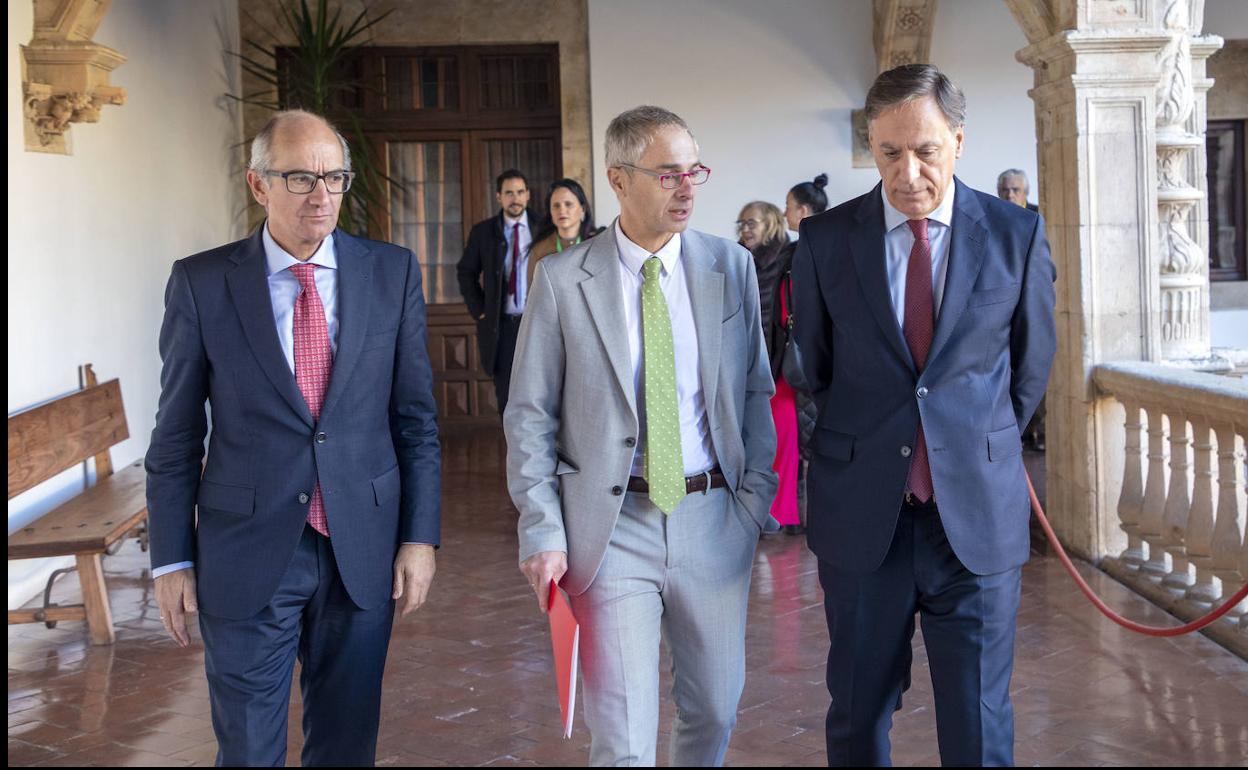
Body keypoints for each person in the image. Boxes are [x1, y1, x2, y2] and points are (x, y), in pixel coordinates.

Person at [145, 109, 441, 767]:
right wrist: (170, 557)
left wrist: (419, 537)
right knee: (248, 751)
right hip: (245, 550)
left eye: (335, 177)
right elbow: (176, 434)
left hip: (359, 547)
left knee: (346, 745)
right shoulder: (202, 283)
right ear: (258, 185)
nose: (322, 194)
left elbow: (416, 421)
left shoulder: (390, 273)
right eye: (302, 177)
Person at [793, 65, 1056, 766]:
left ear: (959, 142)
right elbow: (815, 370)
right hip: (862, 522)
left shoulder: (1015, 236)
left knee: (977, 726)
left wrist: (967, 445)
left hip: (974, 523)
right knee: (856, 715)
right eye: (888, 152)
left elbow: (1029, 376)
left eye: (926, 151)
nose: (907, 173)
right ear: (871, 147)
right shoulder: (823, 242)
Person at [506, 105, 778, 766]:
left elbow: (754, 392)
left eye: (694, 172)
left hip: (713, 518)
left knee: (714, 709)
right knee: (623, 739)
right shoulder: (564, 281)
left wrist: (752, 505)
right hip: (610, 524)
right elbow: (530, 414)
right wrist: (542, 528)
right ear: (619, 180)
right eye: (667, 174)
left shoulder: (728, 267)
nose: (687, 188)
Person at [770, 174, 831, 534]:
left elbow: (783, 312)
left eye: (789, 207)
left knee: (788, 439)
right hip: (813, 359)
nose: (785, 212)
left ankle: (785, 514)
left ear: (803, 211)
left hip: (796, 361)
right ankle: (790, 514)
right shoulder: (834, 245)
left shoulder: (798, 253)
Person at [737, 201, 799, 533]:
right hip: (744, 362)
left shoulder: (789, 259)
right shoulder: (736, 258)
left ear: (772, 224)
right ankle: (751, 511)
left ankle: (783, 513)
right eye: (742, 224)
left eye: (752, 223)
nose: (745, 229)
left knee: (782, 438)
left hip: (780, 363)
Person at [457, 169, 534, 413]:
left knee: (543, 388)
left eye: (520, 192)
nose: (516, 198)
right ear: (499, 197)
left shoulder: (543, 226)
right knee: (507, 395)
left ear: (528, 195)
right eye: (509, 193)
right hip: (504, 327)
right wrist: (480, 311)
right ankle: (512, 449)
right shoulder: (483, 232)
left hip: (538, 323)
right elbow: (466, 271)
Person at [526, 178, 599, 286]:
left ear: (582, 208)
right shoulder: (539, 250)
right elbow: (533, 297)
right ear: (550, 211)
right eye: (556, 206)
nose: (562, 210)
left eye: (568, 204)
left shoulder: (597, 243)